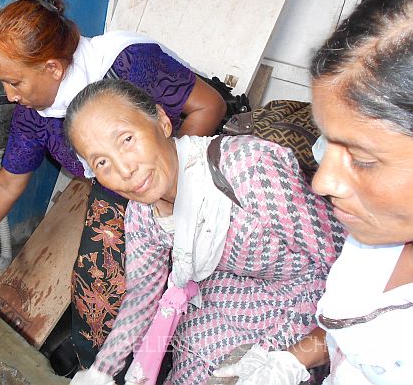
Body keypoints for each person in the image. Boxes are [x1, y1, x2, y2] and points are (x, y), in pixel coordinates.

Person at [0, 0, 226, 369]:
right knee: (100, 268)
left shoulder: (126, 65)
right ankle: (102, 356)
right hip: (124, 187)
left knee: (166, 267)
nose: (9, 96)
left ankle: (158, 358)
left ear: (53, 68)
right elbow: (9, 181)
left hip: (179, 169)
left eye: (14, 82)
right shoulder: (37, 112)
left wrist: (175, 190)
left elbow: (210, 106)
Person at [62, 78, 344, 384]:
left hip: (309, 302)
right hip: (226, 307)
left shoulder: (247, 168)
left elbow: (346, 263)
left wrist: (299, 355)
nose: (124, 170)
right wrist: (102, 370)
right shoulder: (145, 213)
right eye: (102, 161)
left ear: (162, 121)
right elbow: (143, 293)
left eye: (127, 140)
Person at [213, 0, 413, 384]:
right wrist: (288, 361)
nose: (321, 182)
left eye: (360, 158)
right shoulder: (378, 228)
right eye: (326, 143)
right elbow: (351, 324)